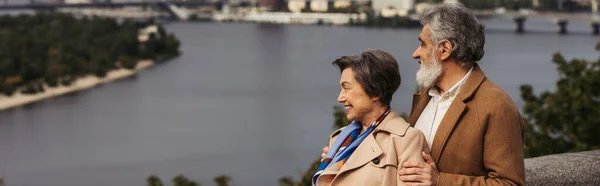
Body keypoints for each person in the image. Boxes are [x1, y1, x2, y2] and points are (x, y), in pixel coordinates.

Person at [322, 3, 525, 186]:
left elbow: (510, 183)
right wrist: (347, 153)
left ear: (444, 49)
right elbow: (400, 150)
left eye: (423, 44)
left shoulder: (496, 105)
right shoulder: (427, 94)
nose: (415, 53)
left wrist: (440, 181)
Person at [313, 49, 429, 186]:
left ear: (375, 92)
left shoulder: (406, 140)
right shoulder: (340, 139)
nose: (340, 98)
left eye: (347, 88)